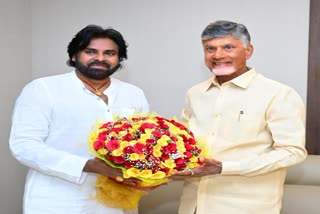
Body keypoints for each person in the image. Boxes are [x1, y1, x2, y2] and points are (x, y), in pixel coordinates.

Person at [9, 25, 149, 214]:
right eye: (90, 51)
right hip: (59, 200)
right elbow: (24, 146)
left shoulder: (133, 93)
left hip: (119, 201)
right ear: (74, 55)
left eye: (109, 53)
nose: (100, 58)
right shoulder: (43, 89)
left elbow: (144, 142)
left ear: (119, 59)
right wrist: (86, 165)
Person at [172, 20, 307, 214]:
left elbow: (292, 151)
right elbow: (183, 144)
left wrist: (224, 167)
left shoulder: (278, 93)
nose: (217, 55)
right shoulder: (195, 93)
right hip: (192, 206)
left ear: (248, 50)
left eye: (228, 47)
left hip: (246, 208)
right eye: (210, 49)